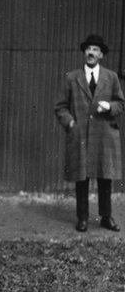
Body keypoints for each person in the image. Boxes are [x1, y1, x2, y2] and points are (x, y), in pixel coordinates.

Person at [55, 34, 124, 233]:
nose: (90, 53)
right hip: (81, 136)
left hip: (104, 136)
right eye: (88, 49)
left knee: (105, 177)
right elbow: (60, 107)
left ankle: (105, 217)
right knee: (81, 178)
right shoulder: (71, 77)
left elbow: (121, 103)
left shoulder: (111, 77)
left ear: (101, 55)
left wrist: (109, 106)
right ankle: (82, 217)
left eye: (95, 50)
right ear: (84, 53)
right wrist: (71, 123)